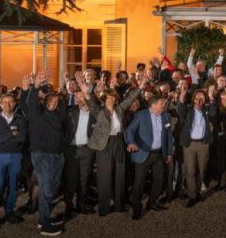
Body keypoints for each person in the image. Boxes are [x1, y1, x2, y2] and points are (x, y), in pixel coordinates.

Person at [22, 73, 66, 236]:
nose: (54, 104)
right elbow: (31, 102)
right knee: (46, 189)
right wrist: (36, 85)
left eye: (56, 102)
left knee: (52, 188)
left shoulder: (57, 116)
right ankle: (45, 224)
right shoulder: (37, 113)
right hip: (43, 155)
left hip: (57, 155)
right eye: (51, 101)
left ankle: (44, 218)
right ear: (45, 102)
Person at [90, 86, 138, 215]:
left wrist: (141, 86)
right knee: (104, 176)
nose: (110, 99)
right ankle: (104, 208)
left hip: (119, 142)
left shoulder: (119, 109)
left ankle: (119, 205)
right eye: (108, 97)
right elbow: (90, 103)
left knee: (120, 174)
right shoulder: (100, 111)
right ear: (103, 99)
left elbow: (130, 99)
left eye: (112, 97)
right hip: (104, 145)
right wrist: (85, 91)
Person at [125, 96, 175, 219]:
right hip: (143, 152)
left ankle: (152, 203)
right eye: (161, 103)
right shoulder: (141, 115)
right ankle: (137, 209)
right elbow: (129, 130)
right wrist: (131, 142)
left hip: (159, 154)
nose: (163, 106)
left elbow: (168, 136)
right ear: (153, 105)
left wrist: (168, 153)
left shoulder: (165, 116)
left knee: (158, 180)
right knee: (139, 183)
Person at [0, 94, 27, 231]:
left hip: (15, 156)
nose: (7, 105)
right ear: (0, 104)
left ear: (15, 104)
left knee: (13, 186)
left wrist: (1, 137)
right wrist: (11, 134)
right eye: (4, 102)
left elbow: (22, 139)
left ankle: (9, 212)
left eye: (11, 102)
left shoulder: (21, 120)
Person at [177, 85, 214, 206]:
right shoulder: (188, 110)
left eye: (202, 99)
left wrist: (212, 96)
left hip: (203, 144)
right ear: (193, 99)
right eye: (197, 98)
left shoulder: (206, 110)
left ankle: (197, 192)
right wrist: (182, 95)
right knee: (190, 171)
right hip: (190, 145)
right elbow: (180, 111)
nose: (199, 101)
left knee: (202, 171)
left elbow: (213, 112)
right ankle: (192, 196)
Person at [63, 90, 97, 216]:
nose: (78, 100)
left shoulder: (94, 113)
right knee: (70, 180)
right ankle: (68, 207)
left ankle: (81, 205)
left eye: (81, 97)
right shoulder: (70, 111)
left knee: (84, 179)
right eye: (76, 97)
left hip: (87, 150)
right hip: (72, 150)